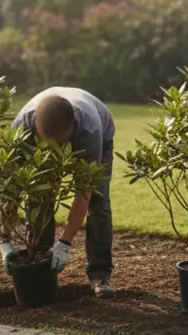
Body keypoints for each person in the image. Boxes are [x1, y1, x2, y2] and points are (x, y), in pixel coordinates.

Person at [7, 87, 117, 299]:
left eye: (61, 143)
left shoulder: (89, 131)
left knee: (98, 201)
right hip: (44, 135)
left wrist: (64, 244)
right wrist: (4, 239)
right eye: (51, 144)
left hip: (100, 135)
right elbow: (12, 187)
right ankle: (41, 260)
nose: (57, 149)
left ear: (73, 124)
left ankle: (100, 274)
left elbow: (83, 192)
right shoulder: (23, 129)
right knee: (40, 196)